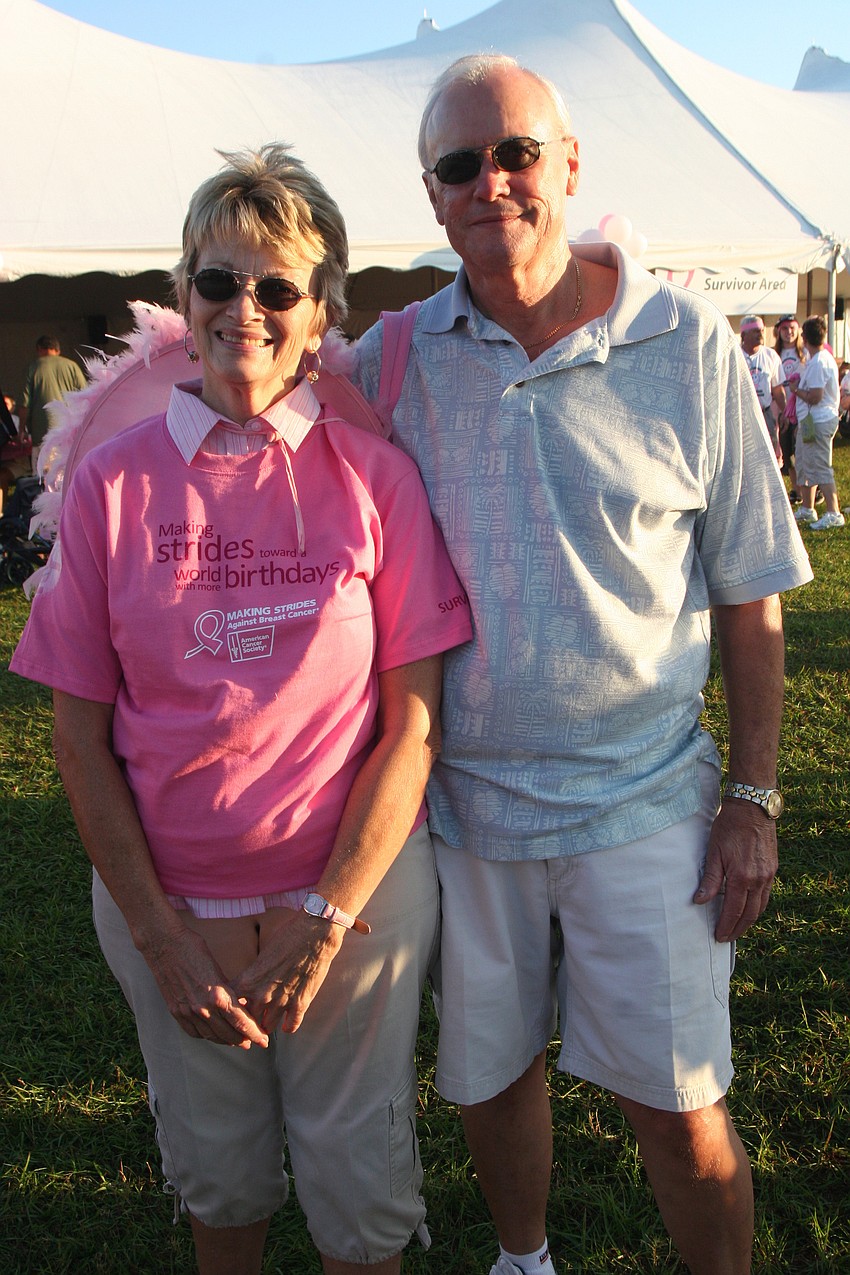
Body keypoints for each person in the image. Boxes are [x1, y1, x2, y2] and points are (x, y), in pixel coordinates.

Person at [353, 53, 812, 1275]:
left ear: (567, 165)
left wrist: (753, 801)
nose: (491, 182)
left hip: (646, 800)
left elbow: (750, 599)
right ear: (434, 195)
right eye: (460, 164)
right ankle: (524, 1262)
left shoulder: (687, 340)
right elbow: (264, 416)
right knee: (490, 1079)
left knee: (677, 1105)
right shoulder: (393, 359)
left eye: (514, 154)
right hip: (462, 810)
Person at [11, 144, 472, 1275]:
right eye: (218, 281)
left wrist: (322, 918)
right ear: (182, 297)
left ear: (321, 312)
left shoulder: (377, 478)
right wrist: (164, 939)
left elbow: (412, 724)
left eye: (278, 287)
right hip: (169, 907)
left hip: (355, 906)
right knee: (218, 1178)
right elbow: (76, 733)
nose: (245, 311)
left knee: (360, 1187)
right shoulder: (113, 483)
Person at [792, 314, 844, 529]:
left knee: (820, 465)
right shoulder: (820, 359)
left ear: (805, 337)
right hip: (813, 420)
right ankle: (808, 507)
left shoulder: (818, 363)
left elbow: (815, 396)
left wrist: (796, 391)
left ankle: (834, 512)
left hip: (819, 420)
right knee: (805, 461)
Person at [19, 335, 87, 467]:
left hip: (43, 434)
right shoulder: (72, 366)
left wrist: (22, 429)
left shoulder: (33, 368)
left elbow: (24, 404)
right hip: (70, 433)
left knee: (44, 479)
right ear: (57, 350)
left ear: (39, 349)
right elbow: (86, 397)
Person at [739, 315, 785, 460]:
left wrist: (785, 412)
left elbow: (778, 389)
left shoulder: (770, 355)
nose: (760, 334)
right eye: (755, 331)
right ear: (743, 335)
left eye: (761, 330)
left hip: (764, 413)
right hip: (742, 415)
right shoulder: (734, 354)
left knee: (769, 455)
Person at [773, 314, 806, 501]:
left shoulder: (804, 354)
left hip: (801, 409)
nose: (789, 332)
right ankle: (796, 489)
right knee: (787, 452)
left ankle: (810, 488)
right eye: (784, 328)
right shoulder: (775, 354)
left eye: (792, 328)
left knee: (802, 450)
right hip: (783, 409)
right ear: (779, 331)